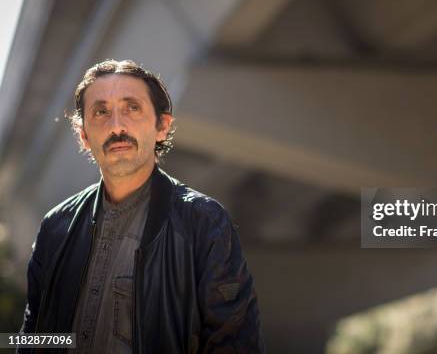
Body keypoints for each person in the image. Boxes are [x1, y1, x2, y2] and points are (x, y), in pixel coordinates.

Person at [19, 59, 264, 353]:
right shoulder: (56, 226)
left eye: (132, 108)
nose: (117, 125)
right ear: (84, 136)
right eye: (100, 112)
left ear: (162, 126)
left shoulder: (203, 222)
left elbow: (235, 343)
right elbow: (33, 336)